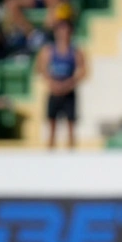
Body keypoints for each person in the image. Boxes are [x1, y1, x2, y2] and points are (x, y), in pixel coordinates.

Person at [36, 20, 87, 148]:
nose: (64, 34)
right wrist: (52, 83)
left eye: (66, 31)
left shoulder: (75, 52)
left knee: (71, 127)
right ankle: (50, 155)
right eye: (61, 31)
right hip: (54, 92)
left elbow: (83, 71)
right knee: (52, 127)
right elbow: (41, 69)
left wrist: (68, 84)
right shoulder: (49, 51)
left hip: (68, 92)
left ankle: (71, 154)